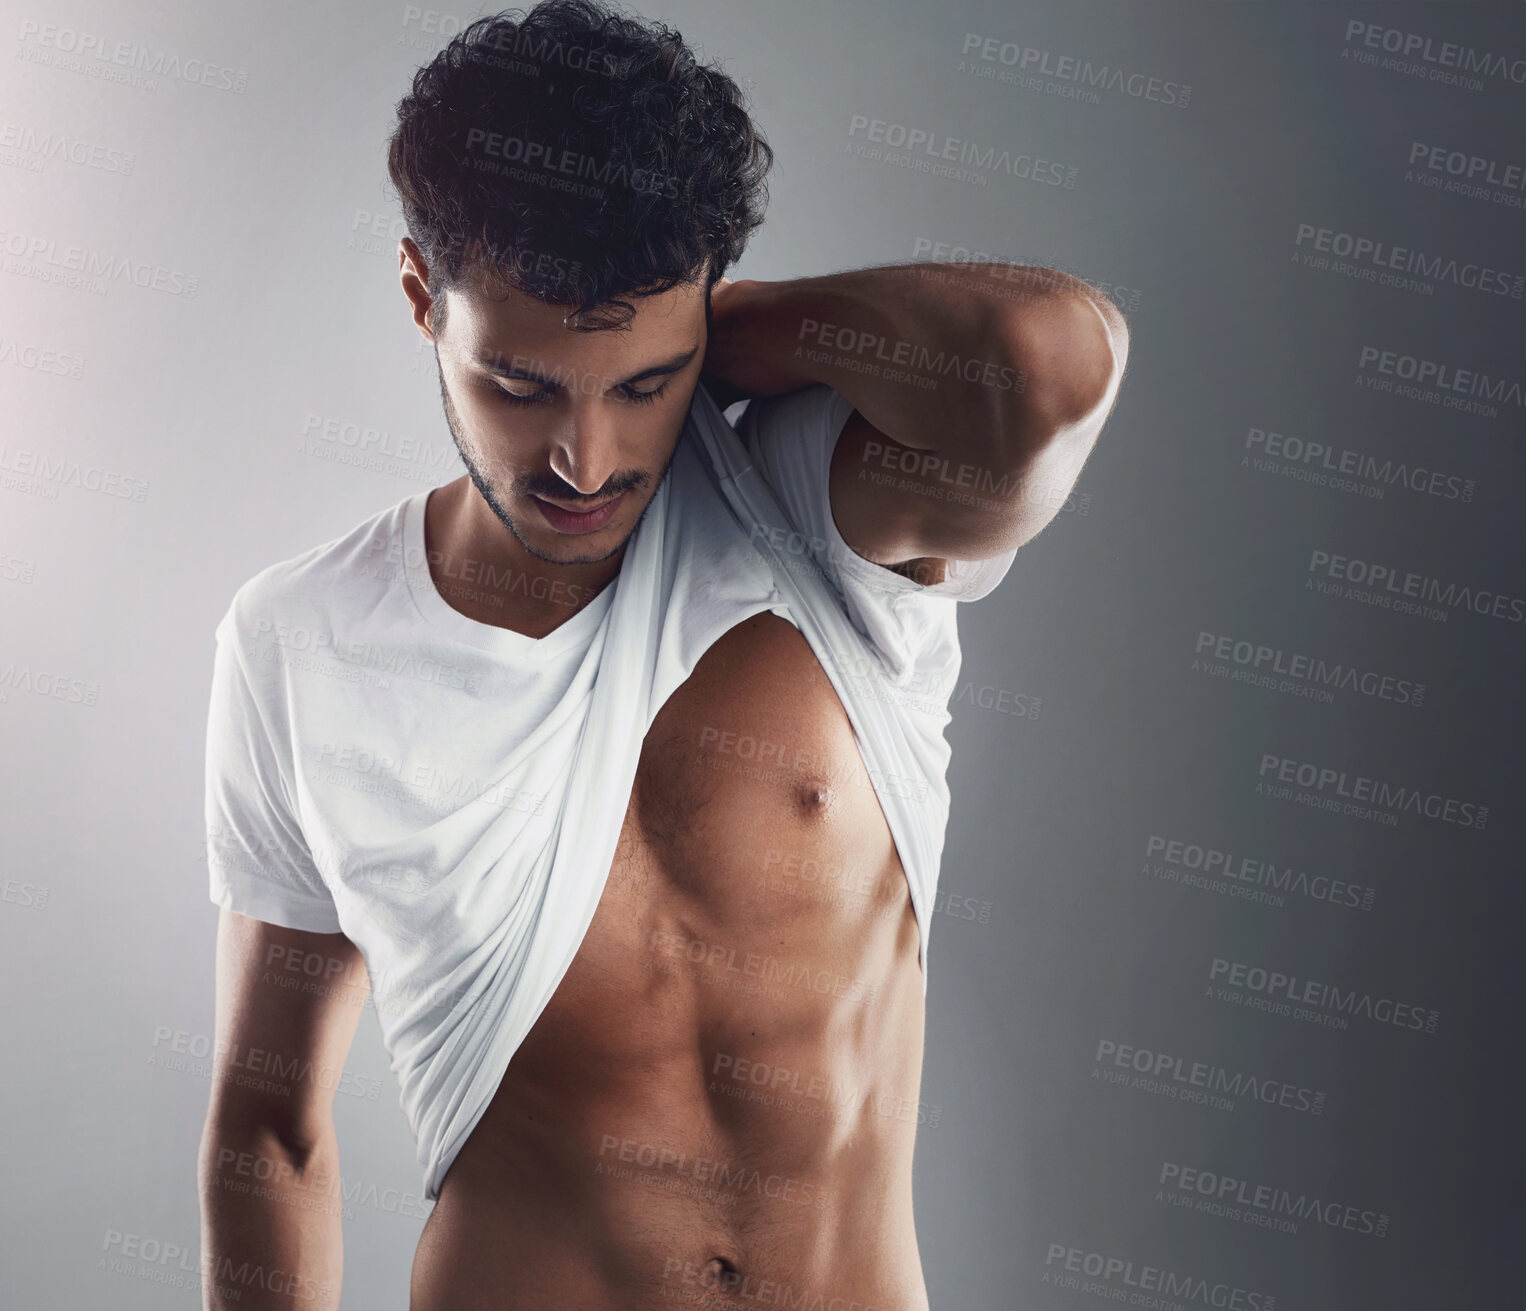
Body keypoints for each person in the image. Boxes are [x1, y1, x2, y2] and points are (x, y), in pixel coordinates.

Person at [196, 2, 1129, 1307]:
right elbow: (268, 1129)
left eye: (643, 383)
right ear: (421, 294)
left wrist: (722, 327)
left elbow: (1039, 371)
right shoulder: (300, 643)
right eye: (520, 387)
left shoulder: (816, 515)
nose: (585, 460)